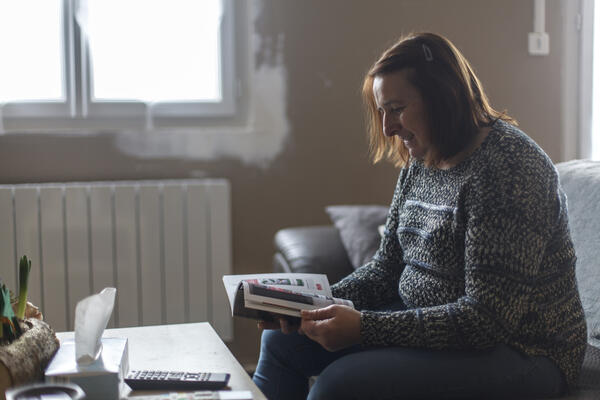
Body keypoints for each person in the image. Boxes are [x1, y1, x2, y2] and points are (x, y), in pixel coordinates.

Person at [252, 32, 587, 400]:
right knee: (282, 342)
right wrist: (309, 308)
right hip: (431, 325)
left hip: (526, 352)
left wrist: (365, 328)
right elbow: (386, 268)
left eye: (396, 109)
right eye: (382, 112)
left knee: (339, 387)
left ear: (443, 97)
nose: (387, 128)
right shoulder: (423, 160)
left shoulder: (508, 169)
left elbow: (486, 321)